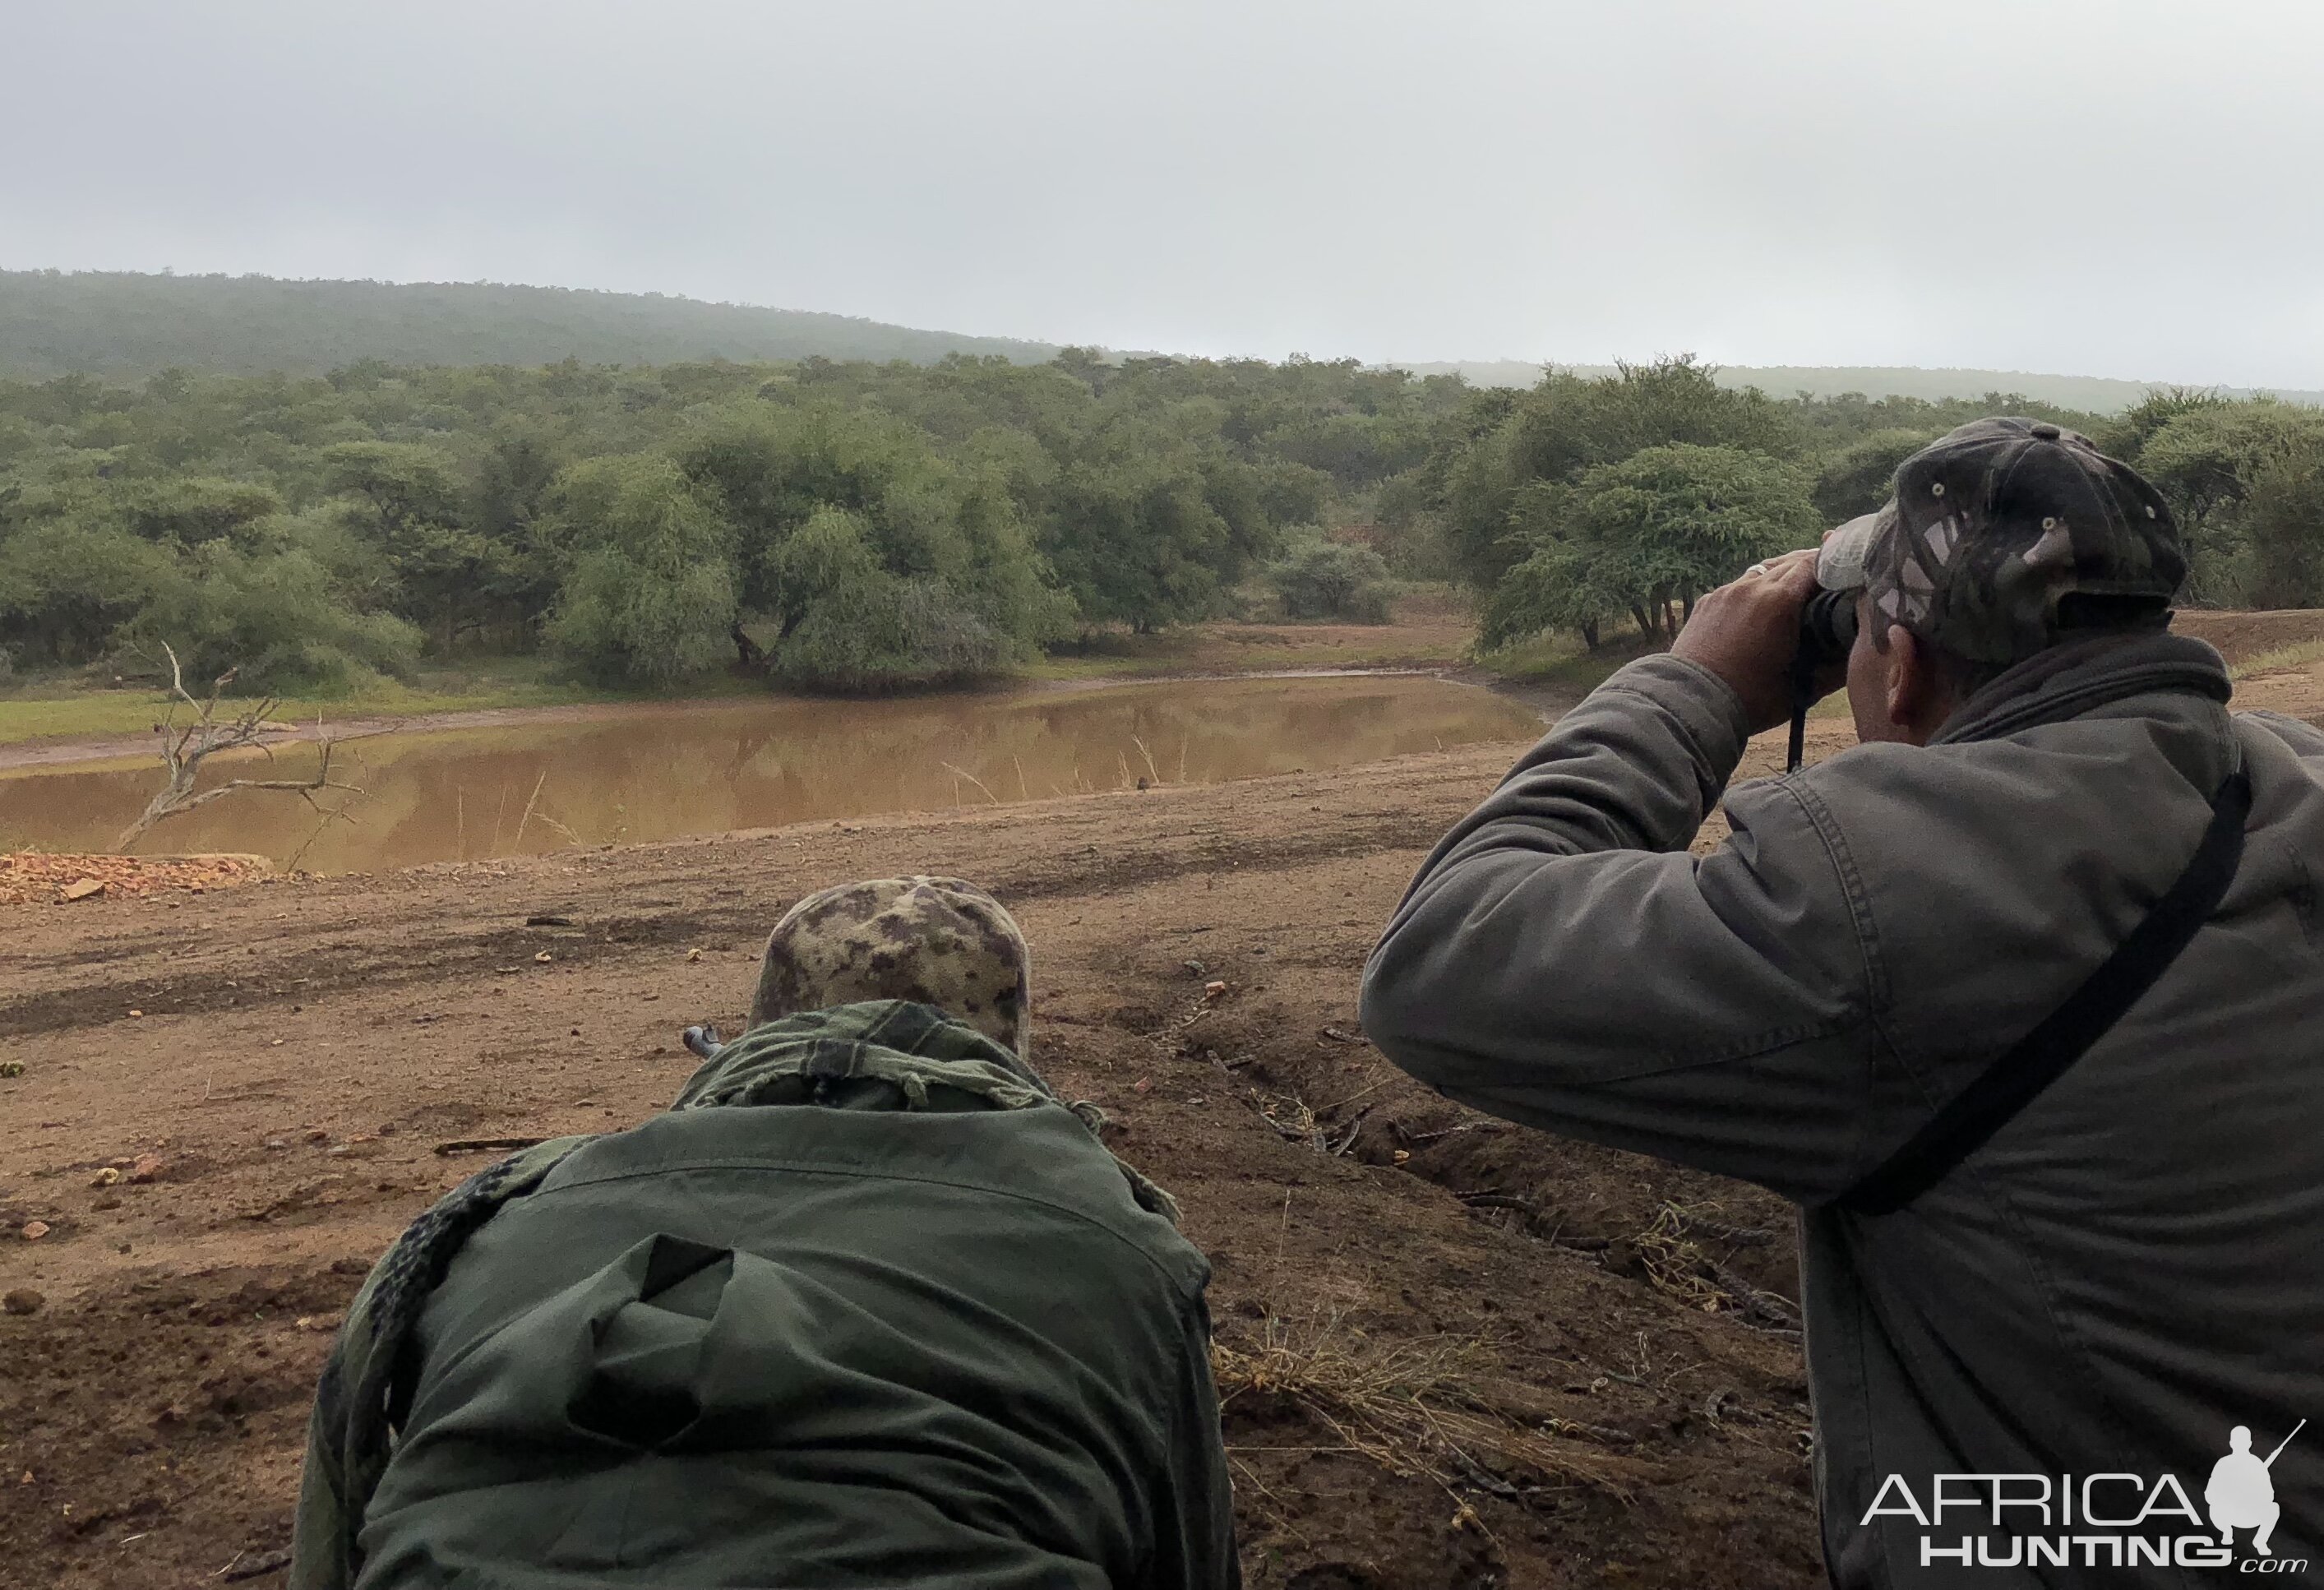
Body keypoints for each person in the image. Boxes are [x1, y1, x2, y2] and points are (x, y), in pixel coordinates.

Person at [1361, 418, 2324, 1583]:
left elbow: (1441, 961)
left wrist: (1691, 684)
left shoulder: (1882, 899)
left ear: (1902, 667)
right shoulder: (2287, 777)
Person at [292, 876, 1238, 1590]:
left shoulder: (482, 1214)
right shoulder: (1122, 1240)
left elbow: (335, 1531)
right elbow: (1190, 1556)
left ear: (758, 1031)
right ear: (1007, 1041)